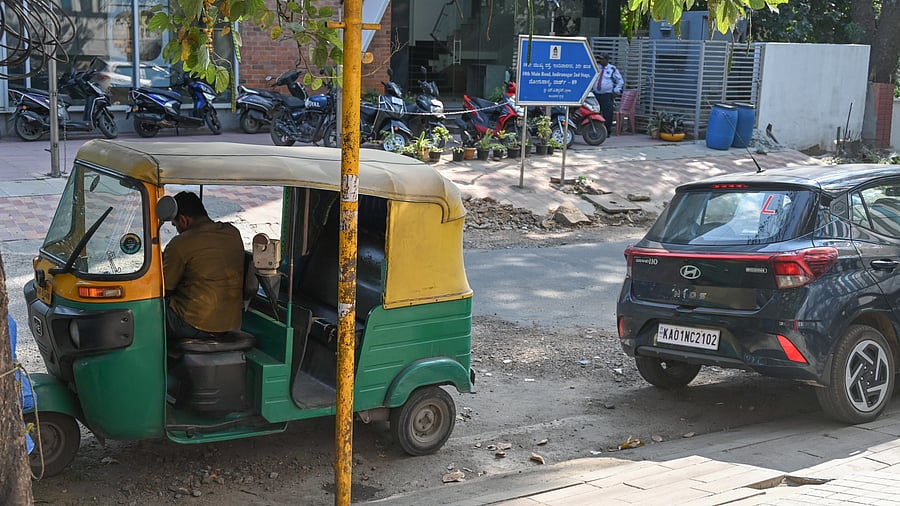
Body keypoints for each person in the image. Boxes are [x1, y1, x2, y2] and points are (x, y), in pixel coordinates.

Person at [163, 191, 245, 340]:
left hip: (194, 324)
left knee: (146, 311)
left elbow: (165, 289)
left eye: (175, 225)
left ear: (184, 220)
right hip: (231, 323)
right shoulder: (233, 232)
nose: (177, 230)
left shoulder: (180, 243)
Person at [594, 53, 623, 134]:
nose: (600, 61)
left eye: (602, 59)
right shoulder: (596, 67)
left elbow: (620, 81)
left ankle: (607, 131)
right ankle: (596, 130)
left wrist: (616, 91)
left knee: (607, 114)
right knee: (596, 112)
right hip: (596, 94)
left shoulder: (612, 69)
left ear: (606, 60)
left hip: (607, 95)